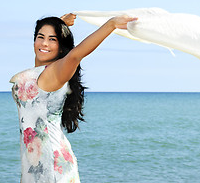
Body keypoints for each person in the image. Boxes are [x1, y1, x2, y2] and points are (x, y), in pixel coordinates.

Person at [10, 13, 137, 183]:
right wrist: (59, 24)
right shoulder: (40, 70)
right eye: (40, 37)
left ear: (61, 47)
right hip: (34, 163)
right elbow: (42, 55)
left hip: (53, 164)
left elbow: (76, 55)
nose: (44, 43)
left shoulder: (57, 71)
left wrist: (111, 25)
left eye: (52, 39)